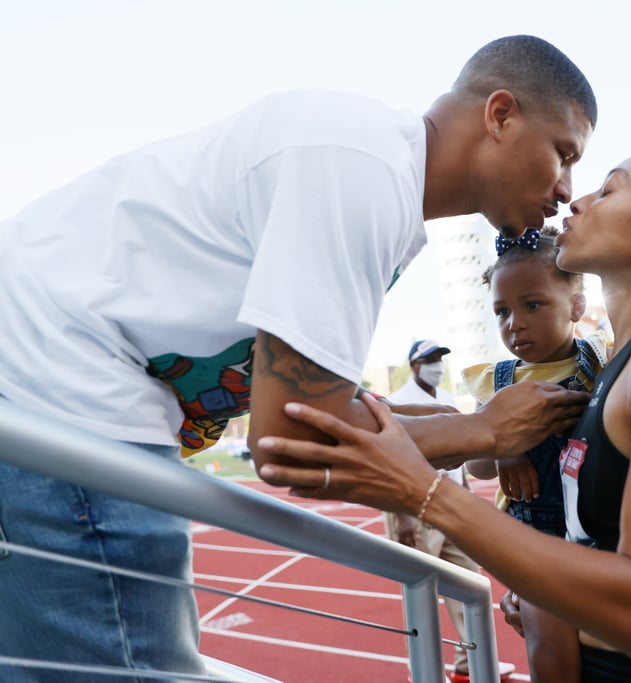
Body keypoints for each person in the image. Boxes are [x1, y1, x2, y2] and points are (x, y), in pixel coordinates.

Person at [0, 35, 595, 681]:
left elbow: (322, 402)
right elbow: (290, 441)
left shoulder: (377, 177)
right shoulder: (358, 168)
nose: (566, 189)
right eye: (564, 154)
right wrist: (485, 429)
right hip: (57, 376)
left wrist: (467, 423)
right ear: (500, 114)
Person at [257, 146, 631, 681]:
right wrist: (550, 589)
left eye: (608, 188)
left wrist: (422, 491)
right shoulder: (621, 357)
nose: (578, 201)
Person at [461, 226, 608, 682]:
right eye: (502, 311)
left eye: (533, 305)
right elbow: (475, 464)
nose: (515, 323)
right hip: (530, 534)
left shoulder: (599, 362)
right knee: (549, 647)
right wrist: (500, 444)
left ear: (576, 307)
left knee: (599, 644)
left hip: (596, 527)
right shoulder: (497, 381)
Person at [383, 340, 516, 682]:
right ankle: (422, 669)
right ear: (414, 365)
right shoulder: (398, 400)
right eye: (429, 360)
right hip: (415, 503)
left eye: (440, 359)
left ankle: (466, 661)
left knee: (469, 579)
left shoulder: (443, 396)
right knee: (419, 590)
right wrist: (402, 515)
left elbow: (457, 455)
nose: (437, 365)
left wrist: (468, 494)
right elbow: (390, 460)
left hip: (449, 497)